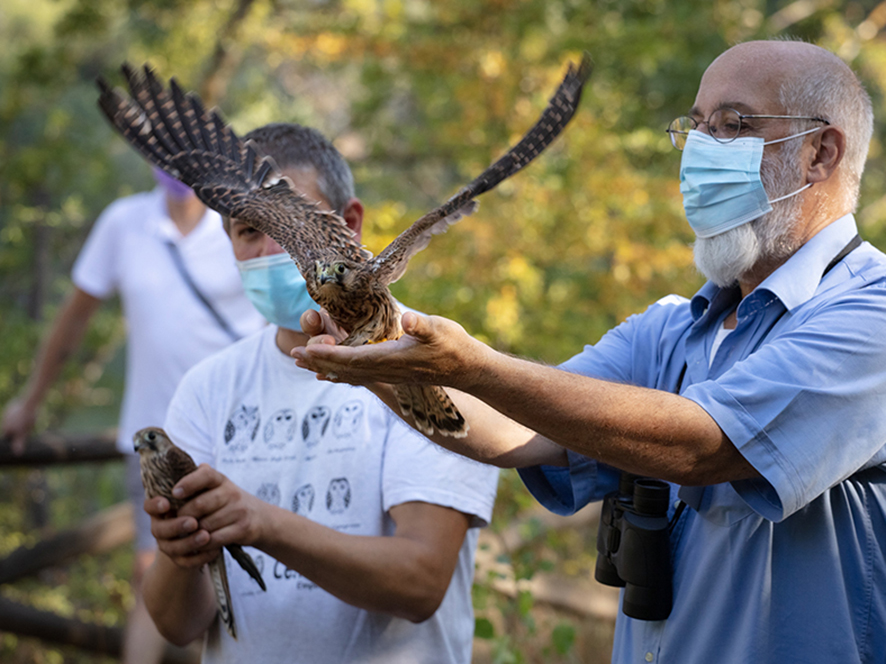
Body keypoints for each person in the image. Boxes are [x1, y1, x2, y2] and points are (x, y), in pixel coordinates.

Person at [292, 40, 886, 663]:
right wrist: (377, 356)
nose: (703, 150)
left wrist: (471, 363)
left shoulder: (868, 316)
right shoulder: (669, 333)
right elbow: (510, 427)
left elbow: (702, 445)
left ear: (821, 152)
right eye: (697, 127)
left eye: (734, 126)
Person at [139, 122, 499, 663]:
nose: (267, 250)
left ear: (348, 224)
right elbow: (177, 624)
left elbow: (420, 584)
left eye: (288, 227)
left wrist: (261, 524)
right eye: (246, 231)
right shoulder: (208, 388)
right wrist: (182, 548)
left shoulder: (433, 363)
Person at [1, 170, 266, 664]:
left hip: (243, 431)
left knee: (252, 572)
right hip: (153, 444)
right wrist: (29, 402)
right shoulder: (123, 223)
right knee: (159, 572)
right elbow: (75, 315)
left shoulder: (240, 225)